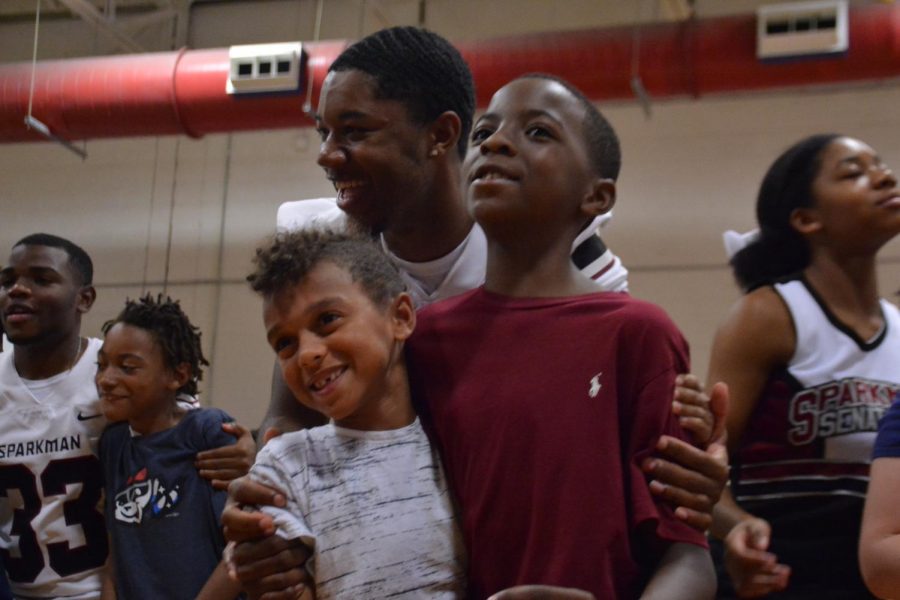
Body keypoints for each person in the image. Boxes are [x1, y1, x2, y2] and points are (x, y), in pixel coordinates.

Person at [404, 73, 715, 598]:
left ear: (596, 196)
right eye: (482, 134)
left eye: (539, 133)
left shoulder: (636, 333)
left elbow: (687, 556)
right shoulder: (422, 339)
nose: (495, 143)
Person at [0, 233, 253, 599]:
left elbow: (187, 434)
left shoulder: (123, 367)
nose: (18, 289)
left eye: (41, 279)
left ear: (83, 298)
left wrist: (249, 450)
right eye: (7, 281)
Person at [707, 134, 900, 598]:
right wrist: (738, 527)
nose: (886, 177)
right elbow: (703, 467)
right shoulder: (768, 315)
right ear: (806, 219)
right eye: (854, 173)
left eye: (881, 166)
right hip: (779, 580)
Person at [246, 229, 465, 598]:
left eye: (327, 319)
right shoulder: (286, 464)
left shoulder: (458, 445)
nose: (307, 353)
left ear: (400, 317)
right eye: (285, 343)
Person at [96, 294, 243, 599]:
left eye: (127, 367)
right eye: (103, 365)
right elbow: (114, 557)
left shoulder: (207, 429)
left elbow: (242, 547)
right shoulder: (113, 444)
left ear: (178, 375)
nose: (106, 379)